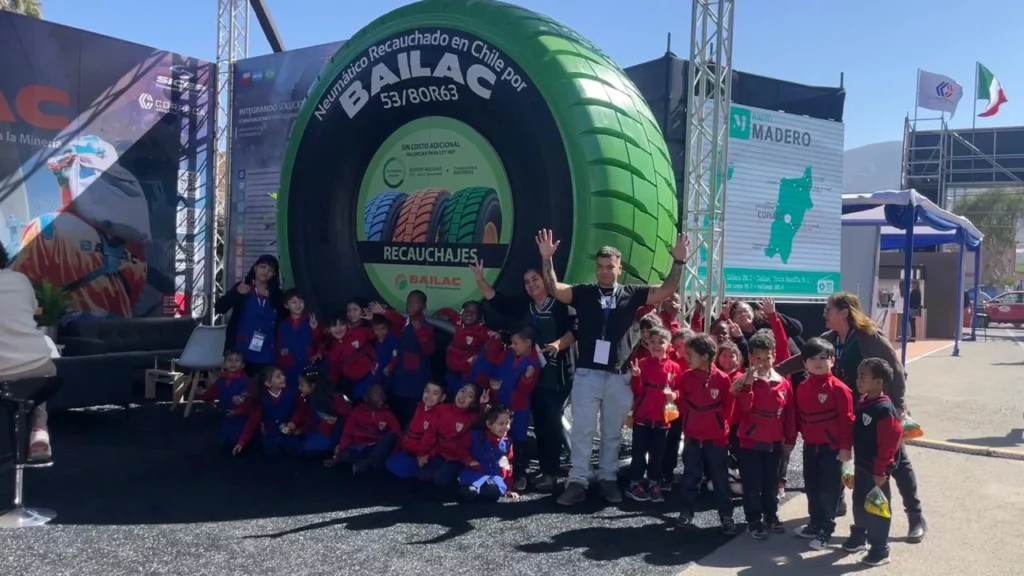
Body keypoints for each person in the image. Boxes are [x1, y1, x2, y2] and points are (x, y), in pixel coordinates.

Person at [535, 229, 690, 505]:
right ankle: (577, 481)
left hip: (619, 376)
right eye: (600, 266)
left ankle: (608, 479)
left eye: (610, 267)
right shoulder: (584, 292)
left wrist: (678, 262)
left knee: (612, 433)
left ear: (620, 269)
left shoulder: (632, 293)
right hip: (587, 374)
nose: (604, 271)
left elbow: (666, 290)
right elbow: (553, 288)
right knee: (582, 431)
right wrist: (547, 259)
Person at [776, 291, 927, 543]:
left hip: (877, 411)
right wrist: (774, 371)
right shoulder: (831, 338)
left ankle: (915, 515)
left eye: (829, 309)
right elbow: (804, 358)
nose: (824, 313)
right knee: (842, 458)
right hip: (847, 411)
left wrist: (898, 407)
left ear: (844, 312)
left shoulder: (869, 337)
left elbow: (896, 370)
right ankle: (838, 504)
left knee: (895, 463)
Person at [470, 260, 577, 492]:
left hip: (555, 375)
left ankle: (551, 473)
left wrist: (558, 344)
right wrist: (480, 280)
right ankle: (541, 469)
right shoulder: (525, 306)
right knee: (539, 422)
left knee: (551, 422)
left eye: (535, 279)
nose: (531, 285)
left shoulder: (561, 305)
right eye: (527, 282)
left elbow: (575, 330)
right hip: (531, 377)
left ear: (546, 280)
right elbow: (497, 300)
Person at [731, 330, 795, 539]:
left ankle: (771, 514)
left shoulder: (782, 382)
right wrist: (749, 383)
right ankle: (753, 519)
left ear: (774, 356)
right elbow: (745, 407)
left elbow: (789, 413)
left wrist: (790, 439)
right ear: (750, 357)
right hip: (750, 442)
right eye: (758, 358)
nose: (763, 363)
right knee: (752, 484)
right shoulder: (742, 380)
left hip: (774, 442)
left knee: (771, 483)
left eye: (767, 357)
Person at [793, 337, 854, 549]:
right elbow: (799, 417)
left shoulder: (840, 389)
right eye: (812, 358)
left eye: (823, 358)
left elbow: (847, 421)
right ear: (805, 363)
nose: (818, 363)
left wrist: (845, 449)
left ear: (832, 360)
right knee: (812, 487)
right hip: (810, 447)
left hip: (832, 449)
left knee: (829, 491)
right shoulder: (802, 387)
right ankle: (814, 524)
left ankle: (825, 530)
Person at [0, 240, 57, 461]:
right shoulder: (20, 280)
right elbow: (33, 309)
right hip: (39, 366)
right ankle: (39, 431)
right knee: (39, 379)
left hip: (3, 373)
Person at [843, 358, 903, 567]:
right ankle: (860, 535)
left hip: (877, 471)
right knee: (859, 502)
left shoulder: (884, 409)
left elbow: (890, 442)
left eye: (863, 376)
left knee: (877, 507)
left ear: (878, 382)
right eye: (858, 375)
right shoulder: (864, 400)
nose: (858, 380)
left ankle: (880, 549)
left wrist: (880, 470)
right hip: (862, 465)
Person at [676, 333, 737, 534]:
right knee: (690, 476)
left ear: (704, 356)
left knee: (720, 478)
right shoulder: (685, 377)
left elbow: (729, 409)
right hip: (693, 437)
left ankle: (726, 515)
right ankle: (686, 511)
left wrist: (718, 426)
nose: (686, 357)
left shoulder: (723, 379)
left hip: (717, 439)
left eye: (690, 354)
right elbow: (681, 405)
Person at [478, 326, 541, 492]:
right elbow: (493, 359)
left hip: (517, 408)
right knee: (495, 438)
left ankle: (519, 475)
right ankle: (494, 473)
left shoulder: (534, 363)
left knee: (517, 442)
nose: (512, 346)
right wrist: (496, 340)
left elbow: (525, 390)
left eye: (515, 343)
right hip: (500, 401)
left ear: (528, 343)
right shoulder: (508, 354)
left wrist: (527, 378)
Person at [625, 326, 682, 503]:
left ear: (669, 345)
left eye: (661, 342)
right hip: (643, 416)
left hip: (663, 418)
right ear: (647, 344)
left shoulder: (675, 367)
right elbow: (637, 391)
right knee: (638, 452)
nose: (656, 345)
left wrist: (675, 395)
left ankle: (653, 482)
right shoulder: (642, 363)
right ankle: (634, 482)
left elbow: (680, 389)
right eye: (652, 342)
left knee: (658, 454)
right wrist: (636, 377)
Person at [215, 255, 285, 377]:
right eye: (263, 267)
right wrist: (237, 293)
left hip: (268, 351)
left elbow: (286, 320)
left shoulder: (278, 295)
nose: (265, 271)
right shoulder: (243, 287)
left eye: (270, 270)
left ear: (274, 274)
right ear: (255, 268)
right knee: (239, 386)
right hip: (240, 352)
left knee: (264, 385)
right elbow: (219, 308)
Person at [371, 292, 436, 426]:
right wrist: (383, 312)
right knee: (398, 416)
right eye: (409, 302)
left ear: (424, 306)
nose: (411, 305)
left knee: (413, 418)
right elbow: (398, 319)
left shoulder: (427, 327)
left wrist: (420, 331)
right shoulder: (405, 322)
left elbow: (429, 349)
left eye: (416, 302)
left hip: (416, 383)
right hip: (400, 380)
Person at [326, 382, 400, 474]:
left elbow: (397, 434)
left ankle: (368, 463)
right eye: (375, 394)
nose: (380, 397)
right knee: (344, 454)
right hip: (361, 448)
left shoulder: (388, 414)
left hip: (377, 447)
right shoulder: (357, 412)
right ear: (366, 398)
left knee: (391, 437)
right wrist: (336, 458)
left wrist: (392, 454)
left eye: (382, 393)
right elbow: (346, 434)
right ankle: (372, 462)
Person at [419, 383, 481, 488]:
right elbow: (430, 433)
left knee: (440, 479)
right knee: (421, 474)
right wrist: (423, 453)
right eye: (462, 391)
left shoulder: (472, 418)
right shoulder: (442, 409)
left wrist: (483, 404)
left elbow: (483, 420)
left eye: (470, 396)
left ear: (473, 403)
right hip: (440, 453)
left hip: (457, 458)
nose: (464, 396)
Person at [458, 404, 521, 501]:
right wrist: (469, 461)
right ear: (489, 424)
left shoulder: (507, 442)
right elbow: (461, 450)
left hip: (494, 475)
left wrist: (508, 488)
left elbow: (507, 466)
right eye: (501, 424)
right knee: (470, 488)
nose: (506, 427)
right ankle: (471, 490)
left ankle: (481, 493)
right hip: (476, 472)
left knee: (493, 490)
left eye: (507, 423)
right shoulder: (475, 436)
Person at [287, 364, 352, 456]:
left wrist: (343, 442)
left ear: (313, 385)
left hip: (332, 434)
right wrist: (300, 428)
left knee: (306, 448)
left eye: (302, 385)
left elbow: (348, 420)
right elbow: (306, 416)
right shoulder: (307, 398)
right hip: (314, 431)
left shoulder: (335, 398)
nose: (299, 388)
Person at [385, 382, 446, 479]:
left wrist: (423, 455)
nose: (429, 396)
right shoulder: (419, 407)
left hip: (424, 454)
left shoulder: (439, 415)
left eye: (435, 393)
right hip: (411, 449)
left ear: (442, 398)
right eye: (427, 391)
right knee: (390, 462)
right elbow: (410, 432)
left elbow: (433, 441)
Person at [235, 366, 300, 455]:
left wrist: (294, 422)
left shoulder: (292, 394)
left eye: (282, 375)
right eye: (278, 377)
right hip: (272, 438)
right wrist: (241, 442)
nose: (283, 378)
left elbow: (299, 410)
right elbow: (252, 422)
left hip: (290, 436)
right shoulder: (262, 400)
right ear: (268, 383)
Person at [197, 349, 252, 448]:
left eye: (237, 360)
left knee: (239, 442)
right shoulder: (220, 381)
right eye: (230, 360)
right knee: (224, 443)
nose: (233, 363)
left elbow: (249, 401)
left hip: (242, 419)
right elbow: (211, 393)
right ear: (224, 364)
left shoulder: (246, 381)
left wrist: (237, 410)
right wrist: (202, 394)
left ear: (243, 365)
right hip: (225, 417)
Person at [276, 288, 322, 389]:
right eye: (294, 302)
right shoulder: (283, 325)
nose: (298, 305)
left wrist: (315, 329)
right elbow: (280, 349)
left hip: (308, 366)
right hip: (291, 369)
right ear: (286, 305)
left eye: (301, 301)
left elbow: (320, 342)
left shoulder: (311, 320)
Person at [444, 301, 491, 395]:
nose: (469, 314)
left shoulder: (482, 331)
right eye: (467, 311)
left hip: (465, 375)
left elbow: (492, 345)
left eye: (474, 312)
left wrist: (479, 356)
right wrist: (439, 312)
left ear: (479, 316)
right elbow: (449, 312)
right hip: (450, 371)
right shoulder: (458, 322)